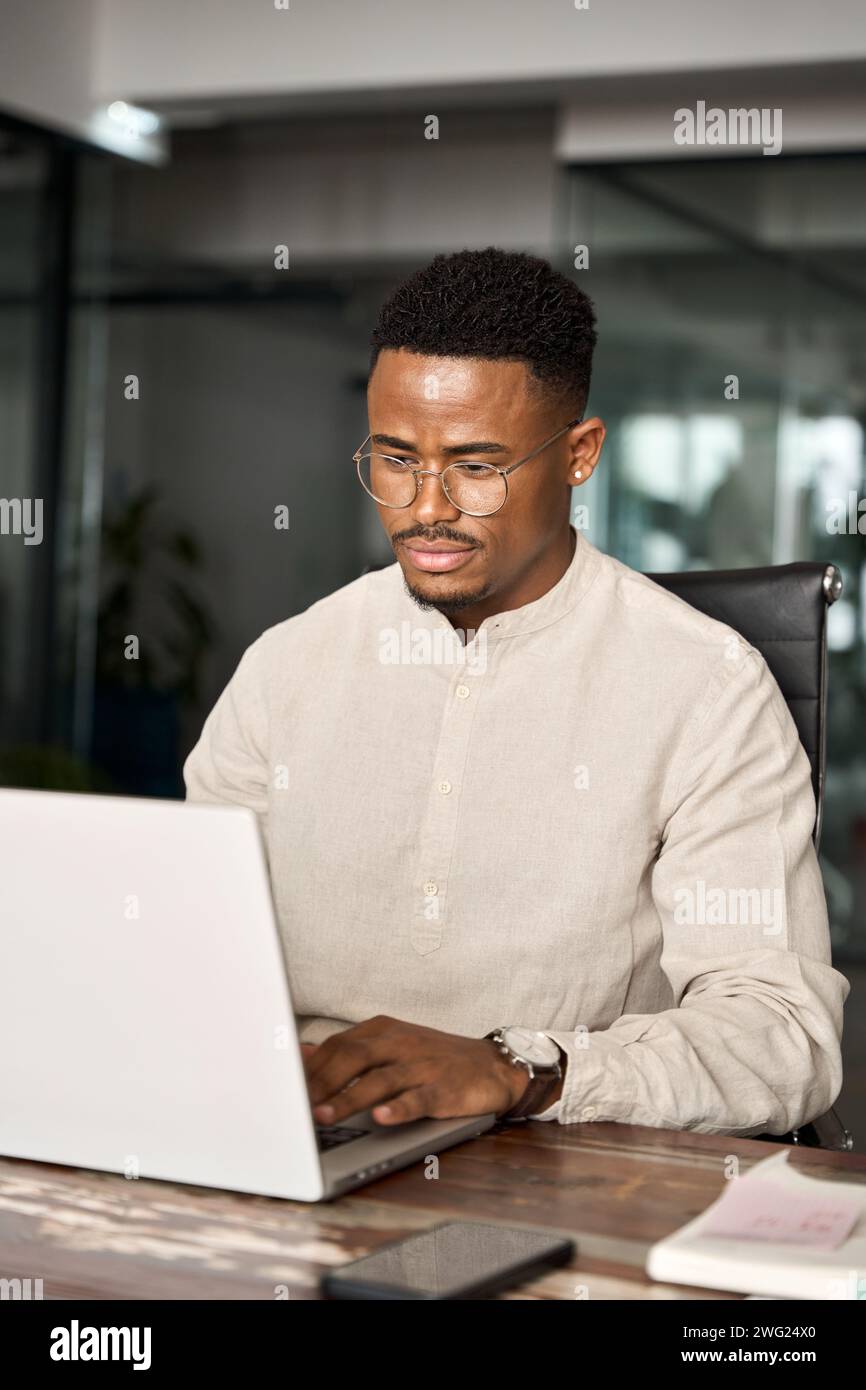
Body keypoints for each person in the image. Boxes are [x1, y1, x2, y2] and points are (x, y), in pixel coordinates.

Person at [184, 247, 848, 1135]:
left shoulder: (706, 688)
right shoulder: (285, 667)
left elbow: (783, 1037)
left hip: (557, 1158)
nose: (425, 509)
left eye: (476, 467)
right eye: (394, 459)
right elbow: (184, 948)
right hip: (284, 1138)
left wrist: (521, 1068)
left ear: (580, 454)